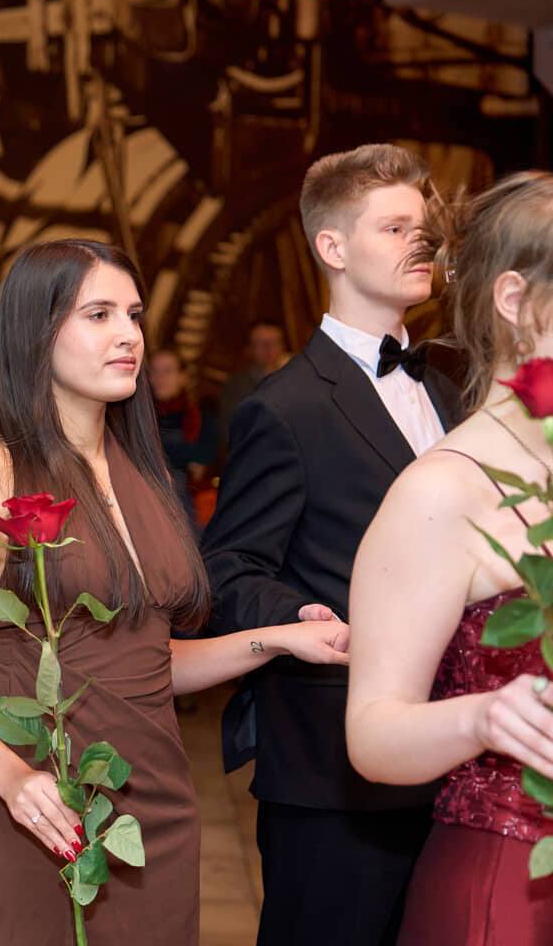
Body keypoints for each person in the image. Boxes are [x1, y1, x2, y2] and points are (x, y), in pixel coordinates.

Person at [0, 238, 350, 944]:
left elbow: (143, 662)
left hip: (154, 806)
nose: (128, 335)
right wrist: (14, 780)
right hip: (35, 803)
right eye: (99, 315)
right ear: (36, 331)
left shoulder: (144, 471)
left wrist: (278, 640)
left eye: (134, 316)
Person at [200, 143, 463, 946]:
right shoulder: (284, 408)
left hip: (455, 756)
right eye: (394, 228)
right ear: (333, 247)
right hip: (333, 770)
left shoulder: (452, 385)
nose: (421, 244)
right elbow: (229, 568)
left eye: (424, 230)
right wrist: (298, 617)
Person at [346, 170, 553, 944]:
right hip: (505, 894)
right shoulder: (439, 491)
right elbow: (372, 736)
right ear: (515, 301)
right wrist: (484, 717)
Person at [148, 349, 215, 528]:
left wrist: (164, 448)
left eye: (167, 371)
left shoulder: (200, 416)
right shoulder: (140, 417)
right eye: (154, 371)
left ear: (183, 377)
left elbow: (205, 457)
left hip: (190, 507)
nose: (160, 378)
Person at [216, 320, 287, 452]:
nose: (269, 349)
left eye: (274, 342)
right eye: (262, 344)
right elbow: (230, 432)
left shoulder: (294, 381)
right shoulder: (236, 386)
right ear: (249, 349)